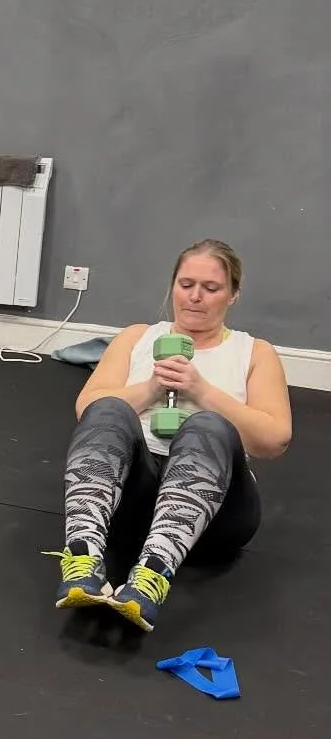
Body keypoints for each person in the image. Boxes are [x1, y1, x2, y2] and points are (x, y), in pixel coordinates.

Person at [57, 239, 291, 632]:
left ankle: (153, 575)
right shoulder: (136, 337)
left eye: (211, 288)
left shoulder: (255, 353)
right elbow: (89, 409)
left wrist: (203, 393)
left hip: (217, 516)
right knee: (110, 408)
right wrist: (150, 388)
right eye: (186, 284)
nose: (195, 297)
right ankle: (82, 558)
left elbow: (275, 439)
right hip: (134, 503)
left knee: (206, 425)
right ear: (173, 286)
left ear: (233, 294)